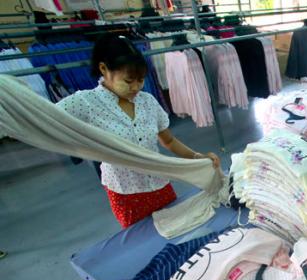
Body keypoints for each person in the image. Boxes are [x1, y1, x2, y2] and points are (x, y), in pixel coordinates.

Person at [57, 34, 220, 229]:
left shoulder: (147, 101)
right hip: (127, 193)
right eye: (128, 81)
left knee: (179, 230)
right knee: (142, 242)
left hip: (160, 185)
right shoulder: (85, 102)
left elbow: (168, 141)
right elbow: (42, 116)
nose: (136, 87)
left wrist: (197, 157)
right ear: (104, 69)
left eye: (141, 80)